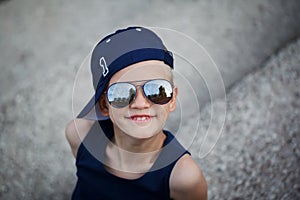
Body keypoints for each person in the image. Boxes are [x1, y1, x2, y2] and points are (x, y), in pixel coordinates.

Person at [66, 26, 207, 200]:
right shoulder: (80, 136)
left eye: (157, 90)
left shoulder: (182, 178)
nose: (140, 103)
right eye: (122, 93)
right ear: (104, 105)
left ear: (172, 100)